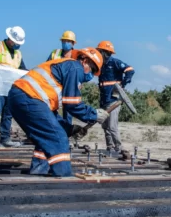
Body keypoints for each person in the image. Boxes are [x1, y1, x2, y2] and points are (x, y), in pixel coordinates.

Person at [8, 47, 110, 176]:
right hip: (29, 98)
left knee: (48, 135)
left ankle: (39, 171)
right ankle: (64, 178)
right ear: (84, 61)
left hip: (18, 97)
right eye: (92, 69)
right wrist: (94, 114)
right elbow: (72, 104)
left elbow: (51, 114)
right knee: (58, 138)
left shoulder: (65, 68)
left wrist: (69, 128)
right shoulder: (75, 68)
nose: (91, 74)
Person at [96, 40, 135, 157]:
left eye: (101, 52)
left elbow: (130, 70)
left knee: (112, 126)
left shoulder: (115, 63)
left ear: (106, 52)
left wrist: (123, 84)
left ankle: (118, 148)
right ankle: (110, 147)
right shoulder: (100, 65)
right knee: (105, 126)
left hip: (114, 101)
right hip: (104, 99)